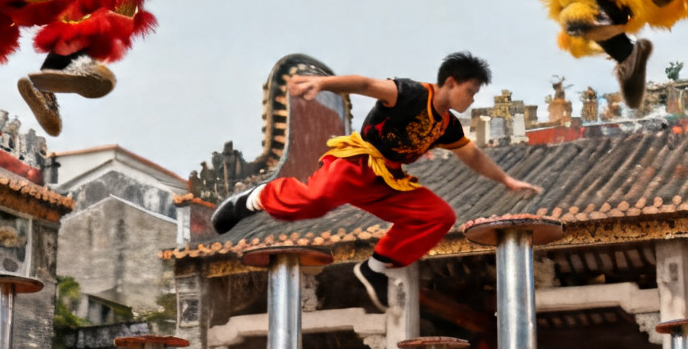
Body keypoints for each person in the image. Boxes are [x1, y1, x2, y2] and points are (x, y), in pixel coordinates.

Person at [211, 54, 543, 311]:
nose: (471, 100)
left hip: (389, 179)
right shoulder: (411, 93)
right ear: (451, 83)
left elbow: (472, 156)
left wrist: (506, 180)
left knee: (438, 215)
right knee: (314, 200)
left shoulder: (447, 126)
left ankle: (376, 267)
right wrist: (324, 83)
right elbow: (367, 85)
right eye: (470, 91)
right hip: (357, 162)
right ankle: (252, 200)